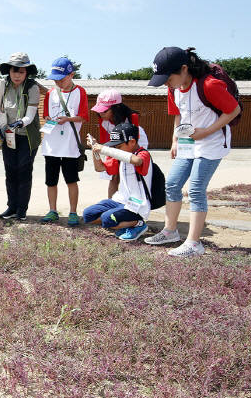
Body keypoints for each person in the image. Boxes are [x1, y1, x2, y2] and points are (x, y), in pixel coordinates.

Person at [145, 47, 241, 257]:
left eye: (168, 77)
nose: (166, 82)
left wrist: (207, 131)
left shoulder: (209, 85)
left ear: (184, 69)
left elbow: (234, 110)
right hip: (187, 143)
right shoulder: (173, 88)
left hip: (212, 143)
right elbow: (177, 115)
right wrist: (174, 140)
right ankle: (170, 231)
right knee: (172, 184)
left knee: (196, 189)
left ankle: (194, 243)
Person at [83, 123, 153, 241]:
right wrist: (95, 149)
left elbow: (137, 161)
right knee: (88, 215)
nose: (115, 150)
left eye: (118, 146)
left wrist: (105, 149)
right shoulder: (119, 156)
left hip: (137, 204)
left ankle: (138, 224)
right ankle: (125, 223)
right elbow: (99, 168)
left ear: (132, 142)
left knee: (107, 219)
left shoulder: (143, 153)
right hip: (120, 200)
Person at [40, 57, 89, 225]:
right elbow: (45, 115)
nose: (58, 83)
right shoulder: (50, 93)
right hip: (51, 145)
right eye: (55, 80)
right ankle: (52, 210)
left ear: (71, 75)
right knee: (51, 181)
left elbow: (84, 116)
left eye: (61, 79)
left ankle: (73, 212)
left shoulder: (80, 92)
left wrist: (68, 119)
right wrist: (49, 119)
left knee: (71, 180)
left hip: (69, 146)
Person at [0, 52, 42, 221]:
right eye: (15, 71)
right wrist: (0, 127)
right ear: (9, 71)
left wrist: (19, 123)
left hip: (27, 136)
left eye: (21, 72)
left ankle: (22, 209)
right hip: (8, 135)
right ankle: (11, 207)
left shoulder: (32, 87)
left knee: (23, 171)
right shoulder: (1, 85)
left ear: (27, 73)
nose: (17, 75)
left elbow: (30, 115)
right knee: (10, 171)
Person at [91, 89, 149, 197]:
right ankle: (110, 203)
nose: (100, 114)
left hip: (133, 142)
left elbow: (134, 142)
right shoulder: (103, 121)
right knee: (113, 175)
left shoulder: (132, 118)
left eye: (104, 111)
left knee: (130, 172)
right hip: (114, 144)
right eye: (99, 111)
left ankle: (134, 200)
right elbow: (105, 141)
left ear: (116, 108)